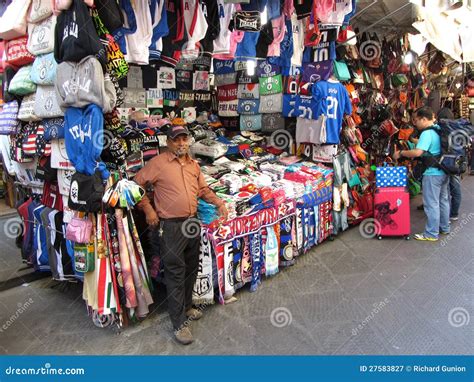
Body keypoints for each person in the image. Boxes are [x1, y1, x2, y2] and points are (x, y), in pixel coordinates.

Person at [134, 125, 228, 345]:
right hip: (171, 226)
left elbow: (203, 190)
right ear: (169, 142)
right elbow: (135, 186)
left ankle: (186, 307)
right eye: (176, 140)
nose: (181, 143)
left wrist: (219, 203)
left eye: (184, 139)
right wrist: (147, 209)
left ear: (189, 141)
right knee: (175, 272)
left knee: (191, 267)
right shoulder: (158, 163)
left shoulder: (193, 165)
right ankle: (179, 324)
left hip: (192, 222)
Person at [393, 106, 450, 241]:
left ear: (424, 119)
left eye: (417, 120)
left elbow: (417, 152)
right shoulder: (438, 129)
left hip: (432, 173)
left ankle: (431, 233)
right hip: (444, 170)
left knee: (431, 203)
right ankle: (444, 227)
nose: (415, 123)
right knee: (443, 200)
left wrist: (401, 153)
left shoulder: (426, 133)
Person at [437, 107, 461, 221]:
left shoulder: (442, 128)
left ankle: (445, 216)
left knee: (445, 191)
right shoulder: (457, 127)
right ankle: (454, 213)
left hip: (445, 162)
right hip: (456, 162)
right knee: (455, 188)